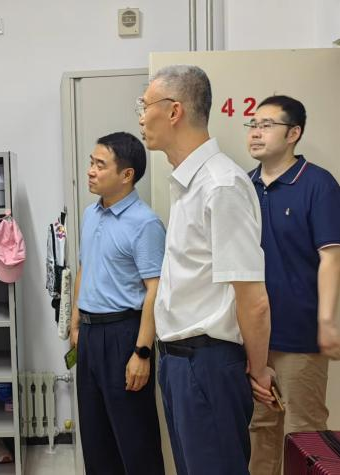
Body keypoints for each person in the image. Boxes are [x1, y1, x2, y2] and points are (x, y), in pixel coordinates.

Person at [137, 65, 274, 475]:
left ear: (174, 110)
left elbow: (253, 299)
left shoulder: (221, 185)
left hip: (208, 363)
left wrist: (258, 369)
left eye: (145, 106)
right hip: (179, 362)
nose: (141, 117)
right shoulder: (188, 183)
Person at [246, 95, 340, 475]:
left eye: (267, 125)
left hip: (300, 336)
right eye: (253, 125)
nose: (256, 132)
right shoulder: (243, 185)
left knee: (305, 435)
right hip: (253, 336)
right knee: (260, 431)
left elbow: (331, 257)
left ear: (293, 133)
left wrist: (327, 322)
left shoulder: (318, 184)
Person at [69, 132, 166, 474]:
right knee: (95, 437)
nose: (90, 171)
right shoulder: (90, 214)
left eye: (100, 164)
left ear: (126, 174)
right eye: (91, 162)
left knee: (135, 438)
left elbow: (155, 290)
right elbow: (85, 267)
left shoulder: (145, 223)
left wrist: (142, 353)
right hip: (90, 335)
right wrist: (75, 322)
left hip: (124, 334)